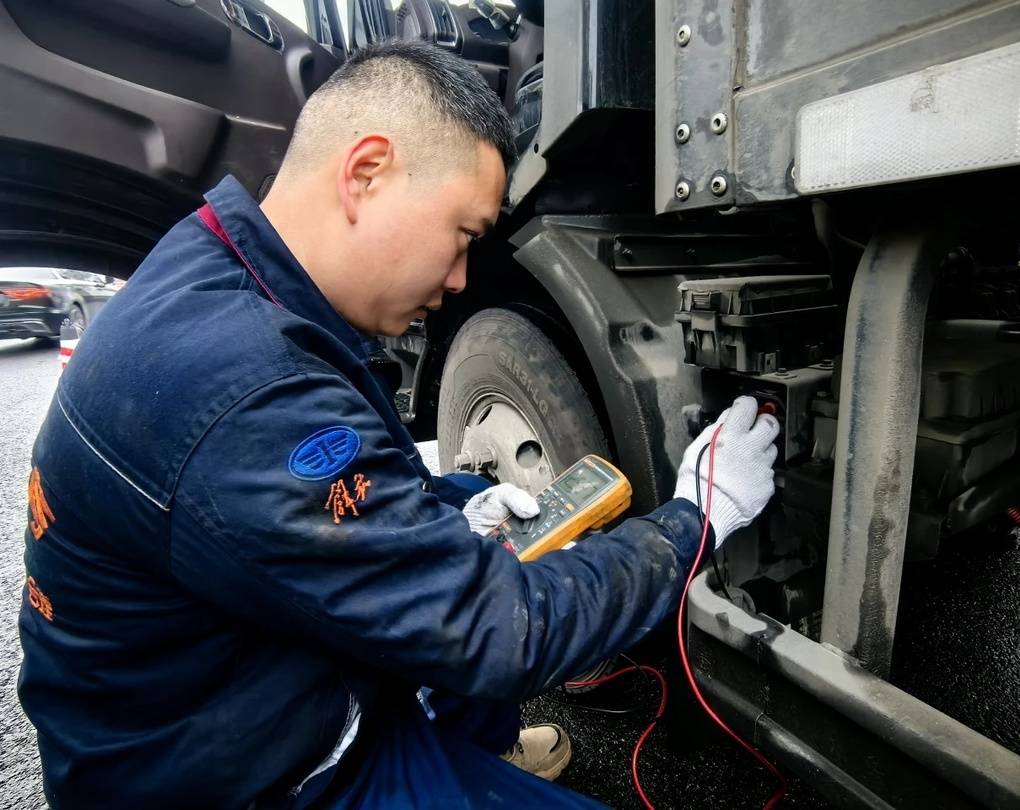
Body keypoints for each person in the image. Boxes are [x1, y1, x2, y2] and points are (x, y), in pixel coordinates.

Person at [18, 40, 778, 809]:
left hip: (224, 695)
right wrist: (696, 518)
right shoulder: (243, 386)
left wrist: (453, 505)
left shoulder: (220, 267)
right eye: (463, 236)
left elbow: (314, 504)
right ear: (366, 173)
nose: (457, 280)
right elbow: (502, 631)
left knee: (465, 559)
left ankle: (464, 749)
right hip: (236, 780)